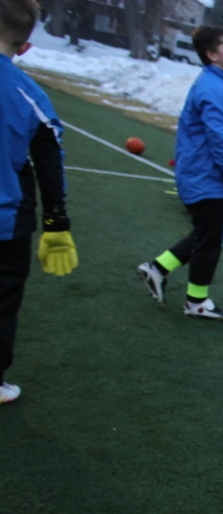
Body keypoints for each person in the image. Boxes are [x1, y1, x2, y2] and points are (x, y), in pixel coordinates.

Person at [135, 26, 223, 321]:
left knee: (206, 233)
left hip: (202, 175)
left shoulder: (215, 84)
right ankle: (196, 303)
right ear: (212, 55)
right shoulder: (212, 89)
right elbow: (220, 142)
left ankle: (157, 269)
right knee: (211, 240)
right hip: (205, 177)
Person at [1, 0, 78, 405]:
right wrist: (56, 222)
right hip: (7, 222)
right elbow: (50, 164)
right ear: (25, 47)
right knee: (3, 300)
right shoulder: (28, 93)